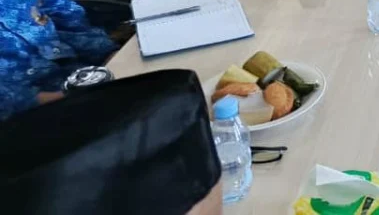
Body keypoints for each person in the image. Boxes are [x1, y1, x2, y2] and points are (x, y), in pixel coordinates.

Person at [0, 69, 224, 214]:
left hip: (86, 89)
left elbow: (66, 20)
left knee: (179, 106)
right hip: (36, 137)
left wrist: (105, 59)